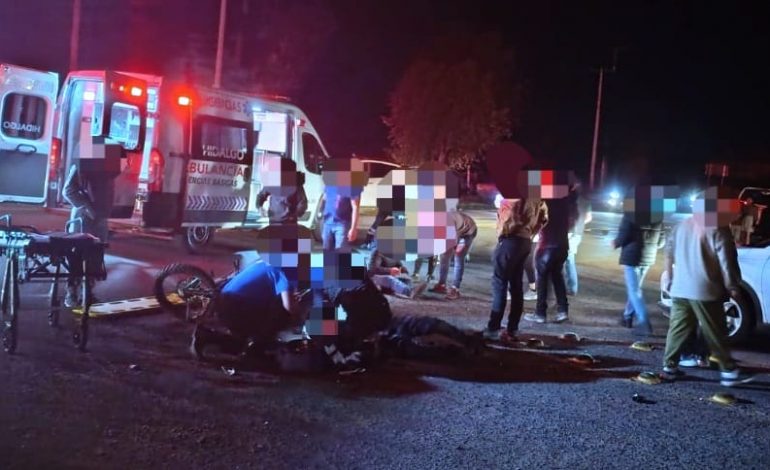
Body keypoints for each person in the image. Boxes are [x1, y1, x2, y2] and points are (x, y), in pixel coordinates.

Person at [661, 191, 755, 386]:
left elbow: (668, 252)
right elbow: (727, 262)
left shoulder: (681, 226)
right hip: (705, 290)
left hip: (680, 288)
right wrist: (732, 285)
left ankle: (669, 365)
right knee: (715, 330)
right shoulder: (718, 229)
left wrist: (669, 277)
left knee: (678, 328)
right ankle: (728, 371)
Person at [190, 261, 313, 360]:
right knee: (281, 314)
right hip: (235, 309)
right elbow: (289, 307)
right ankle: (258, 347)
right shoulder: (284, 272)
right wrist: (303, 319)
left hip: (226, 304)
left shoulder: (265, 262)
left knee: (239, 345)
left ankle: (205, 337)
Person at [484, 198, 548, 341]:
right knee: (516, 286)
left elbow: (507, 211)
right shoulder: (537, 196)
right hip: (525, 241)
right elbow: (544, 217)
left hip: (510, 239)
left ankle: (493, 328)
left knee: (500, 283)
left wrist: (504, 229)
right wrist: (531, 231)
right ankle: (513, 328)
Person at [62, 162, 113, 307]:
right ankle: (71, 292)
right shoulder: (81, 166)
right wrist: (87, 208)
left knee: (96, 255)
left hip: (100, 218)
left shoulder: (109, 169)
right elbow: (68, 191)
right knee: (76, 256)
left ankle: (88, 292)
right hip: (83, 218)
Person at [611, 204, 666, 336]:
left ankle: (644, 322)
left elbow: (624, 234)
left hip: (632, 255)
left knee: (634, 290)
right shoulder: (658, 215)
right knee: (636, 288)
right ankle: (627, 317)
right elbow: (661, 241)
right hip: (648, 257)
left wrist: (616, 243)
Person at [523, 194, 576, 324]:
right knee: (558, 277)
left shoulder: (542, 203)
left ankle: (540, 313)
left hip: (546, 246)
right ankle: (562, 311)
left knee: (541, 280)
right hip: (562, 245)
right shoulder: (564, 201)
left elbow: (536, 222)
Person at [430, 210, 478, 300]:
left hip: (468, 232)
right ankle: (441, 284)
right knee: (444, 256)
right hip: (457, 229)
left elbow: (453, 242)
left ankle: (455, 289)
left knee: (458, 256)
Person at [563, 184, 592, 295]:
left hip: (569, 233)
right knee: (569, 259)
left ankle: (572, 287)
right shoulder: (586, 201)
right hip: (578, 234)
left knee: (568, 260)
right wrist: (580, 224)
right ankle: (570, 287)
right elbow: (589, 218)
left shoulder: (569, 200)